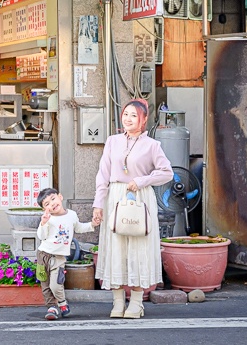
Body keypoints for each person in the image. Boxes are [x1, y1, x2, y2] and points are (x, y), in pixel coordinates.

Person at [91, 99, 173, 320]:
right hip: (115, 197)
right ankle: (118, 302)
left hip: (140, 198)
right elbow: (103, 174)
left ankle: (136, 303)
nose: (128, 119)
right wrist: (98, 204)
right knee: (115, 247)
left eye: (134, 115)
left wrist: (143, 180)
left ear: (144, 119)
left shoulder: (152, 145)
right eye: (125, 114)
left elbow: (167, 173)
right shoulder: (112, 141)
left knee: (139, 248)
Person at [36, 187, 94, 320]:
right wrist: (43, 223)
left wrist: (92, 225)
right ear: (44, 209)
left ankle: (62, 302)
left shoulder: (71, 215)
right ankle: (52, 307)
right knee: (45, 284)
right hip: (43, 254)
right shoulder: (48, 218)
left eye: (53, 199)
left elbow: (78, 227)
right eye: (47, 204)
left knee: (56, 284)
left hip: (59, 257)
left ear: (60, 197)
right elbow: (42, 236)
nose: (52, 204)